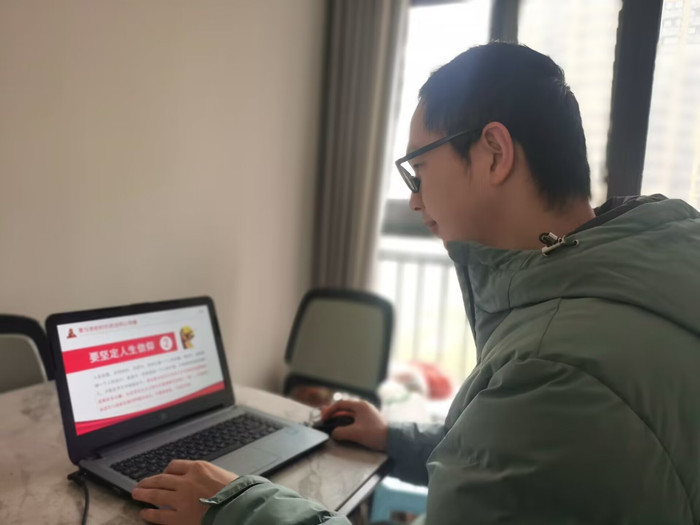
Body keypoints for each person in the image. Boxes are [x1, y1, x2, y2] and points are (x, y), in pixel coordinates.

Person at [131, 43, 700, 524]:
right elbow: (521, 462)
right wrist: (395, 438)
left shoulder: (552, 366)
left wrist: (237, 508)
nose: (414, 198)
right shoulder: (642, 274)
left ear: (494, 153)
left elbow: (536, 422)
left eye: (419, 168)